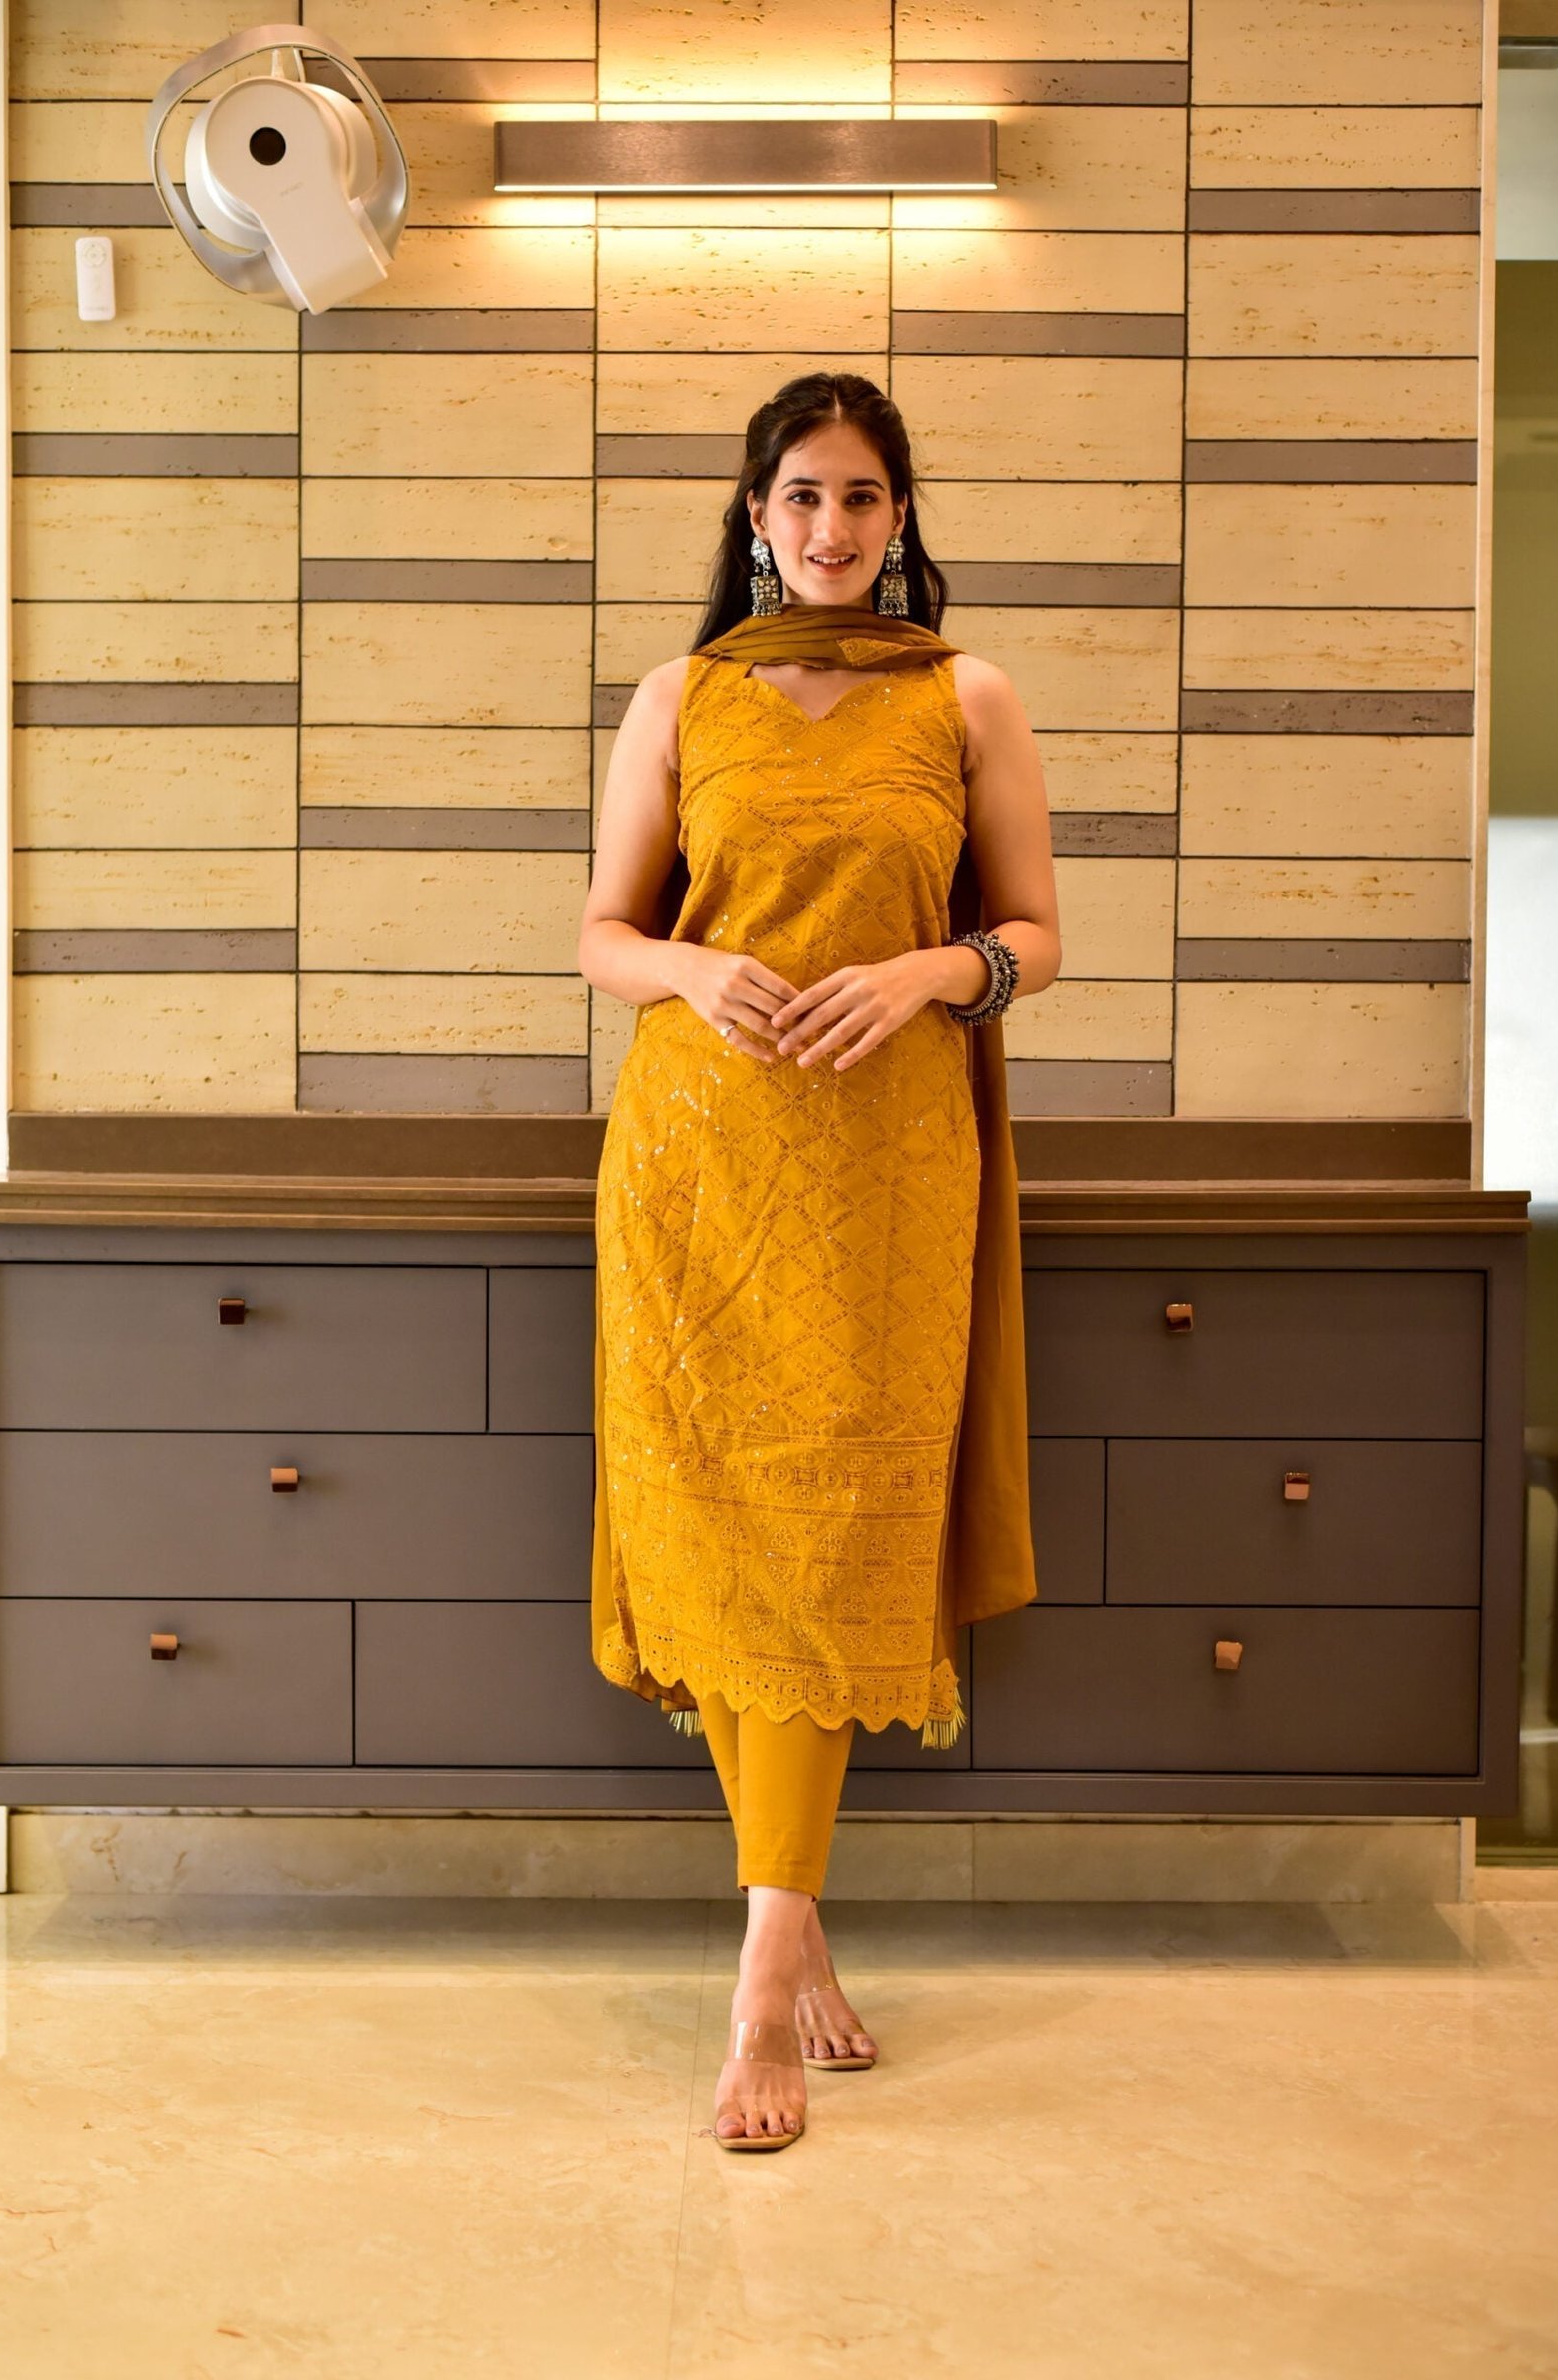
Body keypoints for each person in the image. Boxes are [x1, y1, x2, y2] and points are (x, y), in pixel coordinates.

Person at [578, 371, 1060, 2152]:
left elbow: (1036, 934)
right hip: (696, 1170)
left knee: (839, 1533)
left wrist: (934, 971)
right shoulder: (679, 697)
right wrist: (693, 969)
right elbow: (603, 934)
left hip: (886, 1174)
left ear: (900, 516)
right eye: (802, 496)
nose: (832, 526)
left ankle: (760, 1975)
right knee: (722, 1536)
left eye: (862, 496)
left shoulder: (966, 696)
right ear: (756, 517)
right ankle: (793, 1936)